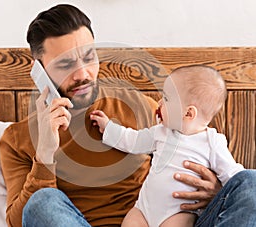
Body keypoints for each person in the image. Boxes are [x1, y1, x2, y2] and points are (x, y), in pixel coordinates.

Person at [0, 4, 256, 227]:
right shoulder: (17, 140)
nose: (83, 74)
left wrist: (216, 191)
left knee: (251, 182)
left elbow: (191, 152)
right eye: (66, 65)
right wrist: (44, 152)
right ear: (38, 70)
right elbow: (22, 220)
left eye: (89, 57)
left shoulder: (138, 106)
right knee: (41, 202)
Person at [90, 65, 245, 227]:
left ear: (188, 113)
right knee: (131, 222)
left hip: (178, 213)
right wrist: (109, 128)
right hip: (144, 209)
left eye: (166, 98)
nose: (159, 102)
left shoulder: (212, 142)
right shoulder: (161, 132)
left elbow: (233, 176)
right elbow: (134, 141)